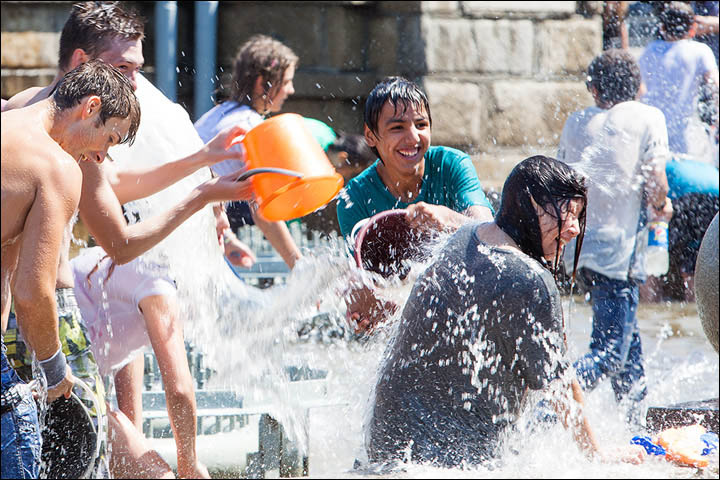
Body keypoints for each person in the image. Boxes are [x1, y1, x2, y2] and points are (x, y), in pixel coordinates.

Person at [4, 2, 254, 477]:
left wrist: (199, 160)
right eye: (122, 69)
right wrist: (201, 194)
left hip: (14, 318)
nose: (135, 84)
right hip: (44, 312)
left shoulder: (23, 112)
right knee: (87, 443)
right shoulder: (62, 156)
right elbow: (116, 241)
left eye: (137, 70)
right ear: (83, 70)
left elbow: (111, 182)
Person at [367, 156, 645, 467]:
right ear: (529, 205)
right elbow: (561, 385)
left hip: (385, 444)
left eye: (578, 216)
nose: (574, 229)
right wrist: (597, 454)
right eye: (565, 213)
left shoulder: (466, 235)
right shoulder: (528, 279)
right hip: (451, 462)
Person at [1, 59, 139, 479]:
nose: (100, 155)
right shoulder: (57, 168)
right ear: (90, 106)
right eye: (108, 138)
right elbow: (32, 292)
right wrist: (55, 370)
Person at [557, 50, 672, 424]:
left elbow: (561, 181)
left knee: (628, 341)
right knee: (610, 352)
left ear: (593, 89)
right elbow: (656, 182)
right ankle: (550, 403)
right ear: (638, 86)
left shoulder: (576, 121)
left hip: (577, 249)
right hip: (619, 253)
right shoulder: (648, 116)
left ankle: (637, 425)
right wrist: (662, 206)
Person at [336, 76, 495, 333]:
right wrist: (361, 308)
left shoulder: (452, 165)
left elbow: (492, 234)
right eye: (397, 128)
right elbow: (362, 277)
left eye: (421, 124)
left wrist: (450, 219)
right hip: (408, 322)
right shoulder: (353, 198)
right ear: (371, 135)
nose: (413, 138)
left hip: (469, 304)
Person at [194, 34, 303, 270]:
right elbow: (263, 212)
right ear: (263, 83)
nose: (291, 90)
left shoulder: (217, 114)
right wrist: (299, 264)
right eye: (286, 82)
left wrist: (227, 240)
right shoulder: (251, 128)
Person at [637, 1, 719, 158]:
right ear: (693, 29)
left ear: (662, 27)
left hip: (653, 136)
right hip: (686, 137)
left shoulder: (649, 50)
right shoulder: (701, 51)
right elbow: (715, 85)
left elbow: (640, 90)